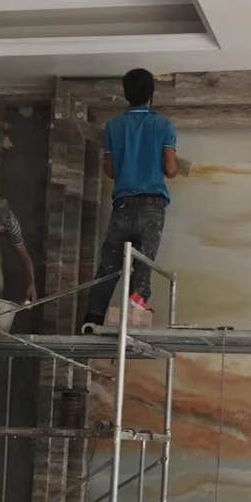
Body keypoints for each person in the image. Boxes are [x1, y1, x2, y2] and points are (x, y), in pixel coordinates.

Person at [82, 68, 178, 331]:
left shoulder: (113, 127)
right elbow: (170, 169)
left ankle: (91, 321)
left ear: (126, 95)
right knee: (143, 264)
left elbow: (111, 170)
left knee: (109, 266)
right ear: (152, 95)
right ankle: (134, 315)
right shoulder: (163, 126)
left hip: (122, 207)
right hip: (152, 207)